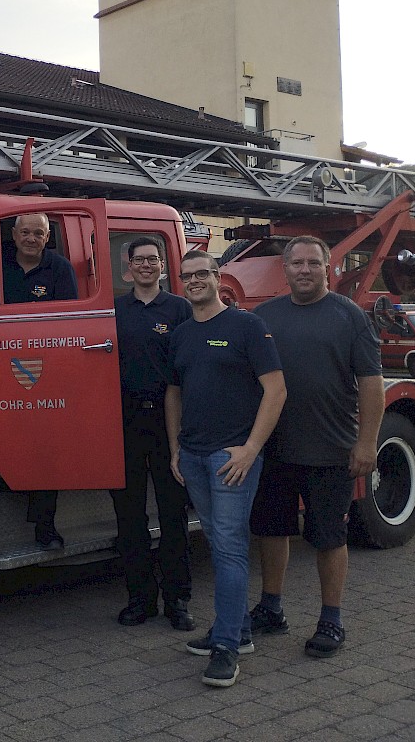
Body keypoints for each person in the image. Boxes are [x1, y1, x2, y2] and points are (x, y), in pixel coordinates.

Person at [249, 236, 383, 658]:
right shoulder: (264, 316)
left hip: (330, 449)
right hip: (274, 449)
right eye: (296, 263)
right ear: (285, 269)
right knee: (272, 530)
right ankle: (271, 608)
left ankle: (331, 619)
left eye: (313, 263)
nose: (304, 270)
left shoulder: (349, 316)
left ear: (328, 268)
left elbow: (371, 384)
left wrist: (367, 443)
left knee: (328, 537)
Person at [165, 250, 286, 688]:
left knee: (230, 548)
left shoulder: (246, 326)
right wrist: (176, 448)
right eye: (187, 276)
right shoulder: (181, 334)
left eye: (202, 274)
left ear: (218, 277)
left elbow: (276, 390)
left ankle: (226, 648)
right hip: (193, 457)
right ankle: (239, 630)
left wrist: (251, 449)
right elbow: (173, 393)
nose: (194, 281)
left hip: (230, 458)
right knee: (219, 543)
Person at [111, 237, 195, 629]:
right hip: (125, 422)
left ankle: (177, 600)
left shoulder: (180, 308)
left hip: (168, 422)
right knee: (129, 516)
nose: (146, 265)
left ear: (162, 265)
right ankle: (140, 599)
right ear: (128, 267)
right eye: (139, 260)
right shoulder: (114, 310)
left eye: (153, 259)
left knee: (173, 513)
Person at [3, 212, 78, 549]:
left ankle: (45, 526)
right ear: (14, 234)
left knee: (46, 445)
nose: (31, 239)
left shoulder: (60, 269)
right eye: (25, 232)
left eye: (38, 233)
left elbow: (71, 321)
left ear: (47, 238)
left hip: (44, 366)